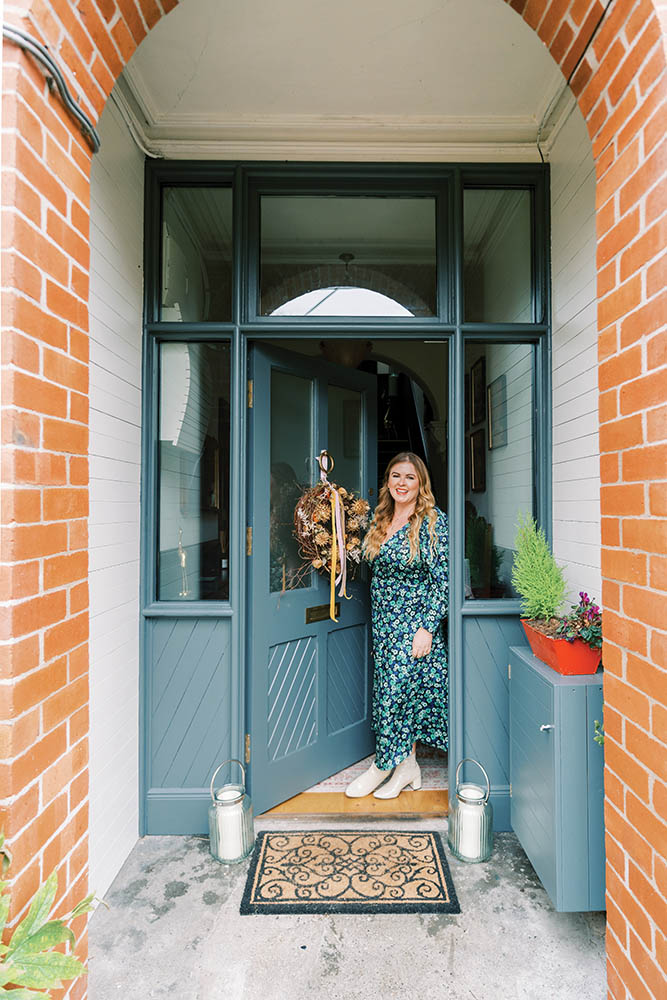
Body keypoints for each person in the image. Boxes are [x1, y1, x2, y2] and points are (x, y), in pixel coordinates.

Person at [345, 452, 449, 799]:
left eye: (409, 477)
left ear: (421, 484)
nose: (401, 483)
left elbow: (443, 579)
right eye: (395, 476)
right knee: (392, 695)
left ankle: (383, 765)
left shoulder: (433, 521)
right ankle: (407, 767)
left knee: (397, 695)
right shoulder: (381, 519)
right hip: (384, 624)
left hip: (413, 623)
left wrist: (428, 627)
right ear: (387, 482)